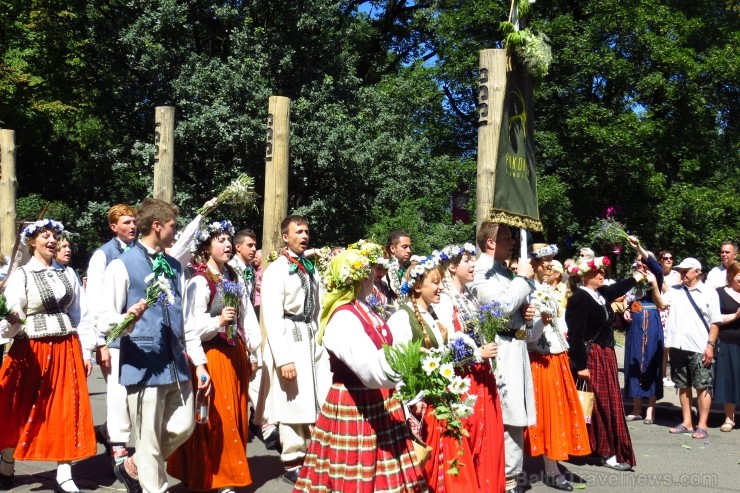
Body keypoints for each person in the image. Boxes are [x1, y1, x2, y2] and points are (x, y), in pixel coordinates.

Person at [96, 198, 212, 493]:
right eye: (173, 226)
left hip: (176, 363)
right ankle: (153, 487)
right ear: (157, 226)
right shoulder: (121, 266)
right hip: (143, 362)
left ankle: (133, 465)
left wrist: (199, 363)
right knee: (147, 435)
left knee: (184, 426)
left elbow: (186, 320)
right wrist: (127, 318)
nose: (176, 232)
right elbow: (102, 318)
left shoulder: (175, 266)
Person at [295, 249, 427, 492]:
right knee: (355, 471)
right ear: (358, 278)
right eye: (368, 271)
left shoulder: (364, 309)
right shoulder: (343, 318)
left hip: (379, 401)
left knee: (384, 473)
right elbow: (372, 371)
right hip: (355, 403)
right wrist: (400, 341)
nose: (374, 275)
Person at [0, 219, 97, 493]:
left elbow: (81, 314)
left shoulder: (68, 274)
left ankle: (64, 471)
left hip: (66, 347)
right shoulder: (22, 275)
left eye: (55, 235)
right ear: (32, 242)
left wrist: (87, 349)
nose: (52, 240)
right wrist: (11, 321)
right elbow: (13, 314)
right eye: (46, 236)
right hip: (32, 349)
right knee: (21, 408)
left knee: (66, 408)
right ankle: (7, 461)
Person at [167, 220, 260, 492]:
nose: (228, 244)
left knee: (238, 416)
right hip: (211, 354)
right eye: (220, 240)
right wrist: (218, 321)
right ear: (207, 248)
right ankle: (220, 478)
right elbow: (191, 327)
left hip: (235, 354)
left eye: (229, 239)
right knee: (218, 417)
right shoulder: (198, 281)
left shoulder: (234, 276)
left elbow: (248, 317)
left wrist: (255, 351)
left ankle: (216, 473)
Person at [387, 256, 479, 492]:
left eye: (440, 282)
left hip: (440, 399)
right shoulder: (401, 318)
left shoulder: (433, 315)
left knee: (452, 457)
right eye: (434, 282)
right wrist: (412, 400)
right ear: (418, 286)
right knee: (428, 460)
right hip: (421, 404)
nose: (440, 287)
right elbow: (399, 365)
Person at [260, 215, 332, 484]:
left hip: (312, 336)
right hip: (290, 336)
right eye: (298, 231)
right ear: (285, 237)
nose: (304, 236)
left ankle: (313, 454)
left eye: (307, 231)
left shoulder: (310, 268)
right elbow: (272, 316)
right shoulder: (276, 270)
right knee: (292, 399)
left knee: (315, 396)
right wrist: (283, 359)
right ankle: (292, 459)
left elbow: (320, 304)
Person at [565, 236, 644, 472]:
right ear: (586, 275)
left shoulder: (599, 294)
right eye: (598, 272)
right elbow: (576, 336)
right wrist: (581, 366)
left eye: (602, 271)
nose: (602, 274)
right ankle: (605, 451)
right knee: (598, 405)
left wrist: (637, 276)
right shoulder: (580, 297)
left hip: (606, 355)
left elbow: (616, 288)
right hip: (592, 357)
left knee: (608, 404)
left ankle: (605, 449)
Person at [468, 222, 535, 493]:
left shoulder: (503, 269)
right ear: (491, 243)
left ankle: (513, 474)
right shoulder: (481, 269)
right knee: (508, 414)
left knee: (516, 413)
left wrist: (526, 314)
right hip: (499, 347)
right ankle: (506, 478)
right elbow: (500, 307)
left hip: (515, 343)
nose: (513, 243)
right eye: (507, 238)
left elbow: (514, 307)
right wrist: (521, 280)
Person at [435, 243, 506, 493]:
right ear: (452, 266)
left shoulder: (471, 296)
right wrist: (478, 353)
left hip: (481, 375)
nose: (473, 265)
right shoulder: (444, 300)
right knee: (471, 436)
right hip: (463, 379)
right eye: (468, 260)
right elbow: (445, 347)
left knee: (487, 438)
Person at [524, 244, 590, 491]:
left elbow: (558, 322)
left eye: (552, 260)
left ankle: (553, 466)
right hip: (540, 358)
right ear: (534, 264)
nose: (550, 264)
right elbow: (527, 334)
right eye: (545, 261)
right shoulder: (527, 290)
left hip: (556, 355)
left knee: (558, 412)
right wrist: (543, 321)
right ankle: (545, 468)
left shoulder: (547, 289)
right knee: (544, 414)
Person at [85, 204, 138, 468]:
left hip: (138, 335)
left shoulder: (141, 251)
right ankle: (118, 444)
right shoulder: (102, 255)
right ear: (113, 226)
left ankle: (107, 431)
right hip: (113, 335)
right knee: (118, 393)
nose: (132, 226)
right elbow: (93, 301)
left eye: (134, 222)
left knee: (134, 395)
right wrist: (100, 342)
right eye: (126, 222)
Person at [654, 257, 722, 442]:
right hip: (677, 345)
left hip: (699, 346)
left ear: (697, 271)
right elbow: (660, 303)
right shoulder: (675, 291)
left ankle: (702, 424)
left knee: (702, 386)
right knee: (682, 385)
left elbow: (715, 322)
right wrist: (654, 284)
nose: (682, 274)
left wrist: (710, 345)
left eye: (686, 270)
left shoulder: (709, 293)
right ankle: (687, 422)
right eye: (681, 270)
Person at [622, 246, 664, 424]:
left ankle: (650, 411)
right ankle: (637, 408)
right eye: (638, 260)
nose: (640, 262)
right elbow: (627, 297)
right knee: (635, 360)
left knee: (650, 362)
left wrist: (639, 247)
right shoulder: (634, 277)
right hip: (635, 322)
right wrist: (625, 309)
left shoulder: (656, 276)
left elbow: (655, 265)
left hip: (651, 320)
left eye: (643, 260)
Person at [714, 262, 740, 432]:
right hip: (728, 343)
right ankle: (729, 419)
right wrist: (736, 315)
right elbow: (715, 318)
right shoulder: (720, 293)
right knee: (729, 381)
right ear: (731, 276)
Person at [658, 250, 680, 387]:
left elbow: (671, 292)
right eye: (665, 258)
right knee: (661, 346)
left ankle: (673, 376)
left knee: (670, 346)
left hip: (671, 311)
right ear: (660, 260)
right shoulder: (656, 273)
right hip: (658, 310)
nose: (669, 260)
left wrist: (658, 281)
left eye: (671, 258)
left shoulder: (676, 275)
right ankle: (662, 375)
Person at [383, 230, 412, 304]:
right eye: (404, 247)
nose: (409, 250)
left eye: (409, 247)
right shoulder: (384, 270)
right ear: (392, 248)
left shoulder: (405, 270)